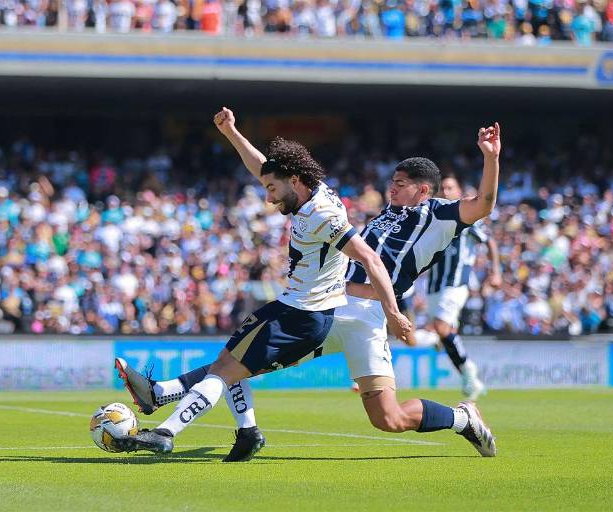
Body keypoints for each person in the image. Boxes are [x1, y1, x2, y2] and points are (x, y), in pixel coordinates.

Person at [118, 121, 502, 461]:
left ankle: (461, 418)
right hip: (330, 307)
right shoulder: (382, 211)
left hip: (368, 315)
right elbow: (272, 173)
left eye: (400, 184)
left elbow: (483, 204)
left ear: (423, 189)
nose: (391, 189)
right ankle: (170, 397)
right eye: (391, 182)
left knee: (388, 419)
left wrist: (490, 158)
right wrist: (234, 134)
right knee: (243, 360)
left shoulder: (439, 215)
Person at [425, 174, 502, 400]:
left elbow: (490, 242)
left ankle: (469, 371)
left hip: (455, 284)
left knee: (440, 327)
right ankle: (471, 381)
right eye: (443, 189)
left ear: (459, 192)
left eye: (451, 188)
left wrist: (495, 271)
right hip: (433, 287)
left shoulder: (467, 218)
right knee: (443, 336)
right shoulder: (434, 219)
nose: (446, 192)